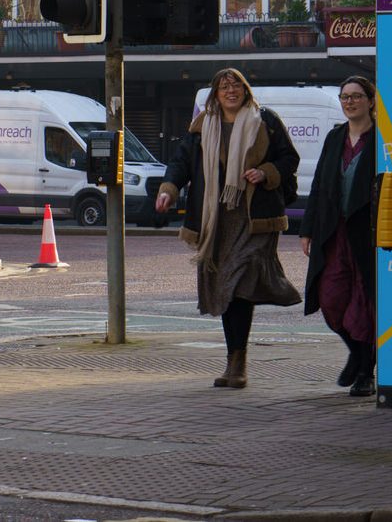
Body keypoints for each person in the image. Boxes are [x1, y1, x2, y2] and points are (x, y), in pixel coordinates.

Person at [155, 68, 301, 389]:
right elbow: (180, 163)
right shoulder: (201, 128)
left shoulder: (266, 121)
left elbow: (289, 159)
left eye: (236, 85)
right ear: (215, 94)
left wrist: (265, 172)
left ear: (246, 90)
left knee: (238, 283)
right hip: (216, 221)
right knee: (227, 290)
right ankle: (235, 358)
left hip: (253, 219)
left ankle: (238, 362)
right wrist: (169, 189)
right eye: (223, 87)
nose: (230, 90)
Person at [300, 75, 379, 397]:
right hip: (334, 232)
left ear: (371, 101)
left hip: (368, 234)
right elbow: (319, 184)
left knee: (364, 303)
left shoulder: (383, 138)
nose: (350, 102)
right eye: (345, 97)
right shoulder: (334, 138)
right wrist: (307, 230)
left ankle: (366, 370)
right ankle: (357, 353)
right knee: (331, 299)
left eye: (357, 96)